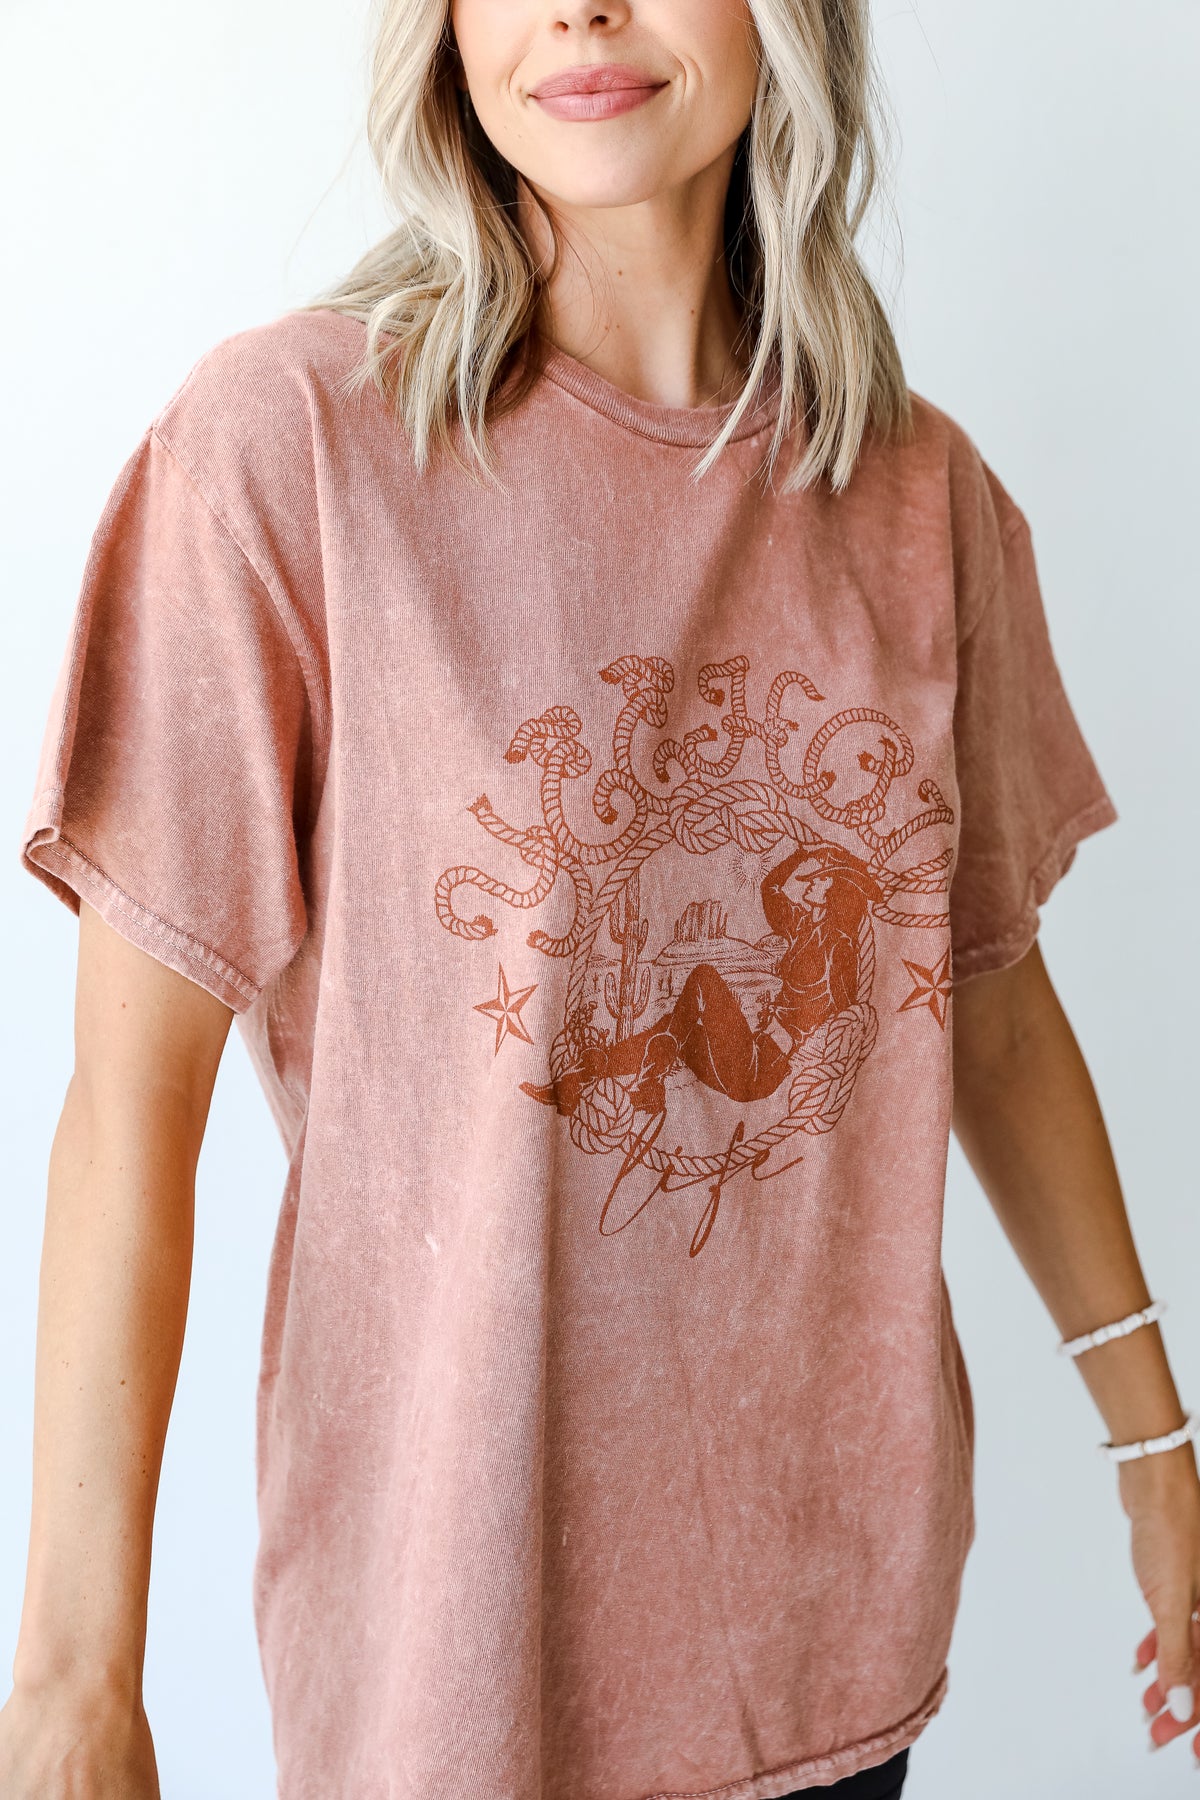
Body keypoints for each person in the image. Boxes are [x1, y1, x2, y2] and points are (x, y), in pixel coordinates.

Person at [2, 0, 1197, 1795]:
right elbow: (127, 1111)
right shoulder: (290, 451)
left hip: (833, 1643)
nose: (579, 9)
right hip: (451, 1655)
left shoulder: (917, 495)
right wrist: (72, 1684)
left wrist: (1155, 1447)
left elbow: (989, 1004)